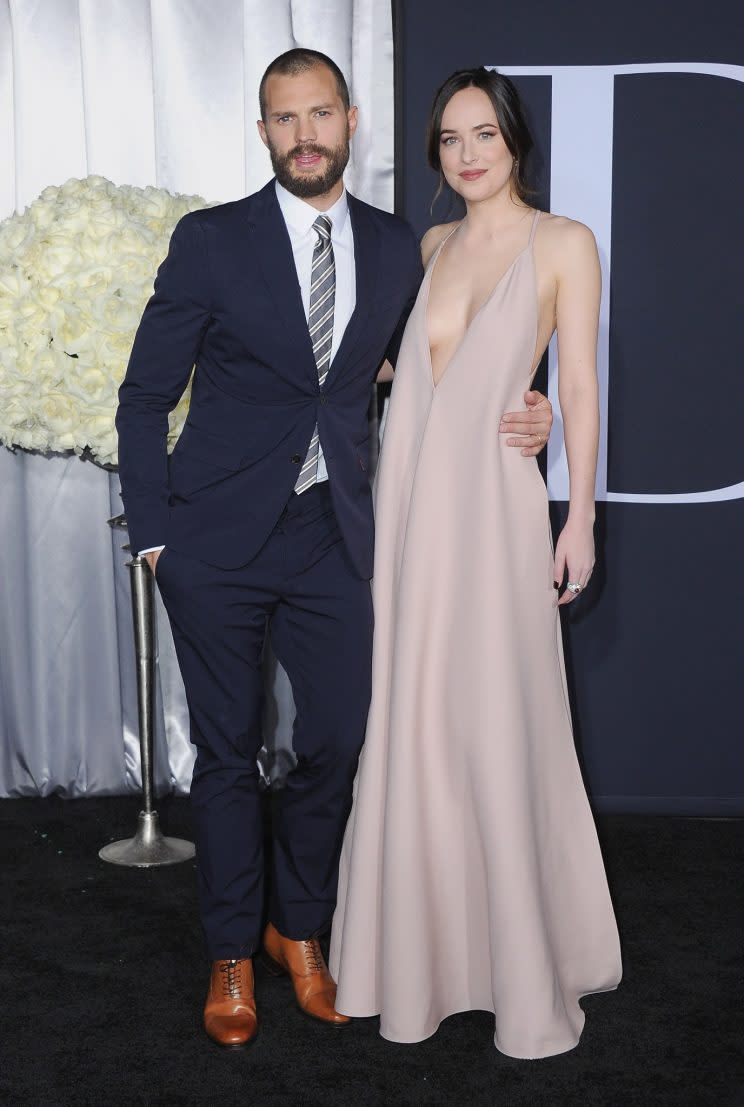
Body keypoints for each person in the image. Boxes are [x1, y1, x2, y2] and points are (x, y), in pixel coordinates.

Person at [116, 51, 553, 1049]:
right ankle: (233, 953)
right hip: (215, 542)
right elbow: (145, 398)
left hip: (335, 538)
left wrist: (528, 408)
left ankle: (296, 928)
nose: (303, 133)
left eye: (320, 114)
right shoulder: (212, 241)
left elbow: (431, 362)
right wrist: (156, 537)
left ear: (351, 122)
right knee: (227, 754)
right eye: (283, 119)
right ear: (262, 131)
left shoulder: (400, 245)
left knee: (342, 741)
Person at [330, 67, 622, 1059]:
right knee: (416, 717)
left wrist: (577, 516)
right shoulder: (432, 244)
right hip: (411, 507)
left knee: (496, 718)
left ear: (515, 141)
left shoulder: (565, 244)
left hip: (495, 512)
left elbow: (575, 382)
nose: (466, 154)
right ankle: (424, 956)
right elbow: (405, 373)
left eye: (483, 134)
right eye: (449, 139)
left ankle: (525, 961)